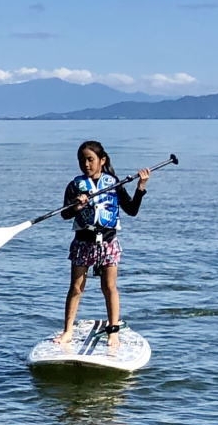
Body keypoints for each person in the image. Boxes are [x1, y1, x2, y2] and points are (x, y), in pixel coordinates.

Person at [57, 141, 152, 348]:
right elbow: (65, 214)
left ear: (102, 160)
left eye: (90, 159)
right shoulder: (75, 185)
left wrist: (141, 187)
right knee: (76, 287)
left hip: (108, 241)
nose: (86, 164)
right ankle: (67, 331)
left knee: (109, 287)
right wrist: (77, 206)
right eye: (82, 160)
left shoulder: (113, 183)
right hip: (83, 242)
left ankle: (113, 332)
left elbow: (132, 210)